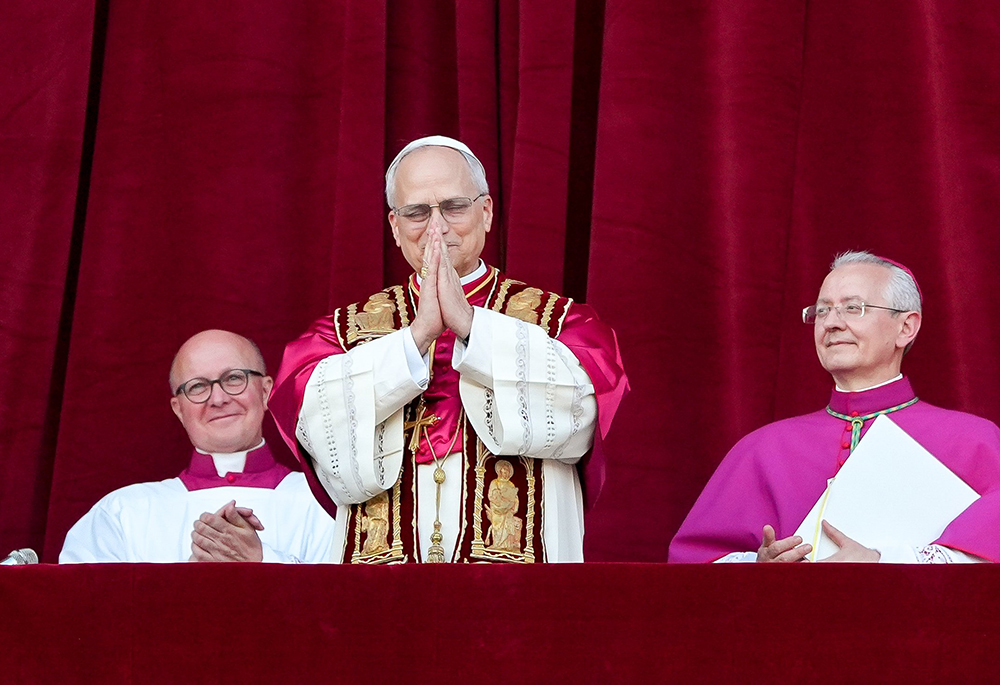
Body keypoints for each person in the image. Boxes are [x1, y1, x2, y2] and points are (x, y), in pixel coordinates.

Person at [269, 135, 628, 563]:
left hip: (520, 581)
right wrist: (415, 338)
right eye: (417, 212)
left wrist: (473, 327)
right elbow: (310, 417)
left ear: (487, 212)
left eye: (454, 207)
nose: (436, 227)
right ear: (394, 226)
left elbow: (584, 414)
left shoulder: (560, 322)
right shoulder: (341, 333)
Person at [669, 251, 1000, 563]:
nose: (831, 323)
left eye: (853, 308)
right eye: (822, 310)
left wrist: (887, 561)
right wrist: (759, 566)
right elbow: (695, 566)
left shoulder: (975, 441)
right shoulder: (762, 448)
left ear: (906, 327)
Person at [60, 330, 336, 563]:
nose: (218, 399)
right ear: (179, 409)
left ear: (265, 392)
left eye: (234, 378)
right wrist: (185, 582)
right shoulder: (121, 514)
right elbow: (83, 612)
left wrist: (263, 560)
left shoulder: (327, 503)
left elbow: (350, 607)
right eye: (197, 387)